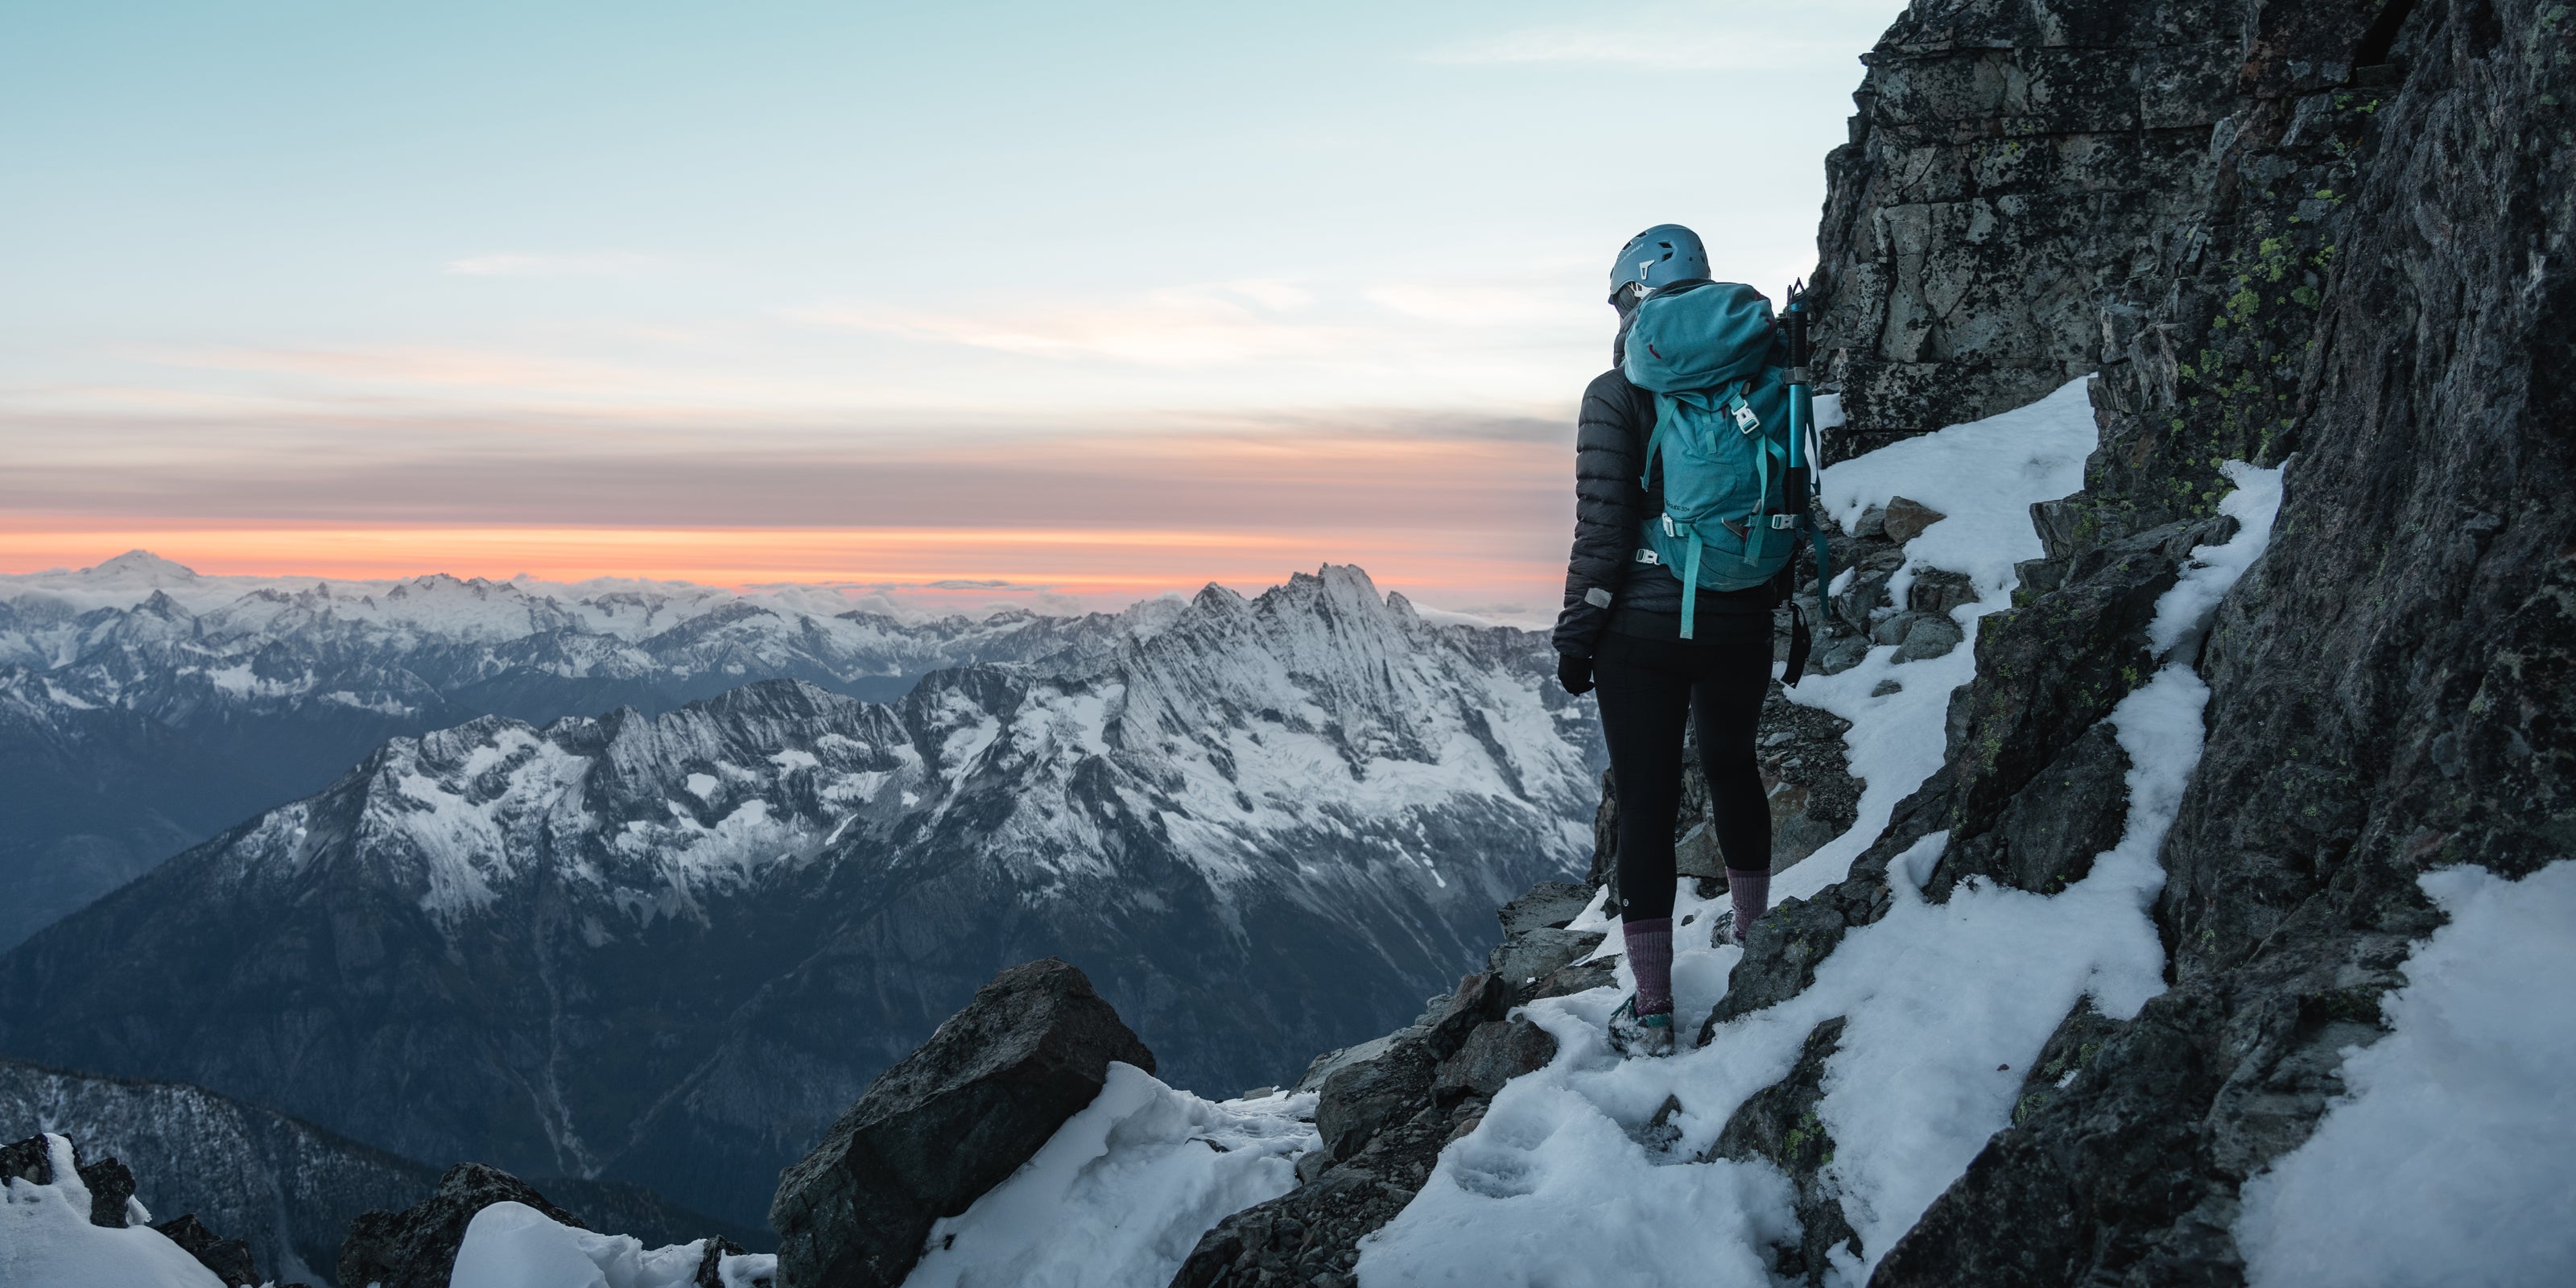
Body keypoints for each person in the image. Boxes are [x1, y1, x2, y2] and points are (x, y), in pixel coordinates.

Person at [1552, 224, 1780, 1059]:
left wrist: (1577, 635)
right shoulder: (1760, 375)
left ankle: (1651, 1009)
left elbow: (1602, 529)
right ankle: (1754, 940)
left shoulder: (1613, 392)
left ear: (1633, 297)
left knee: (1645, 801)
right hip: (1737, 610)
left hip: (1641, 629)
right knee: (1732, 766)